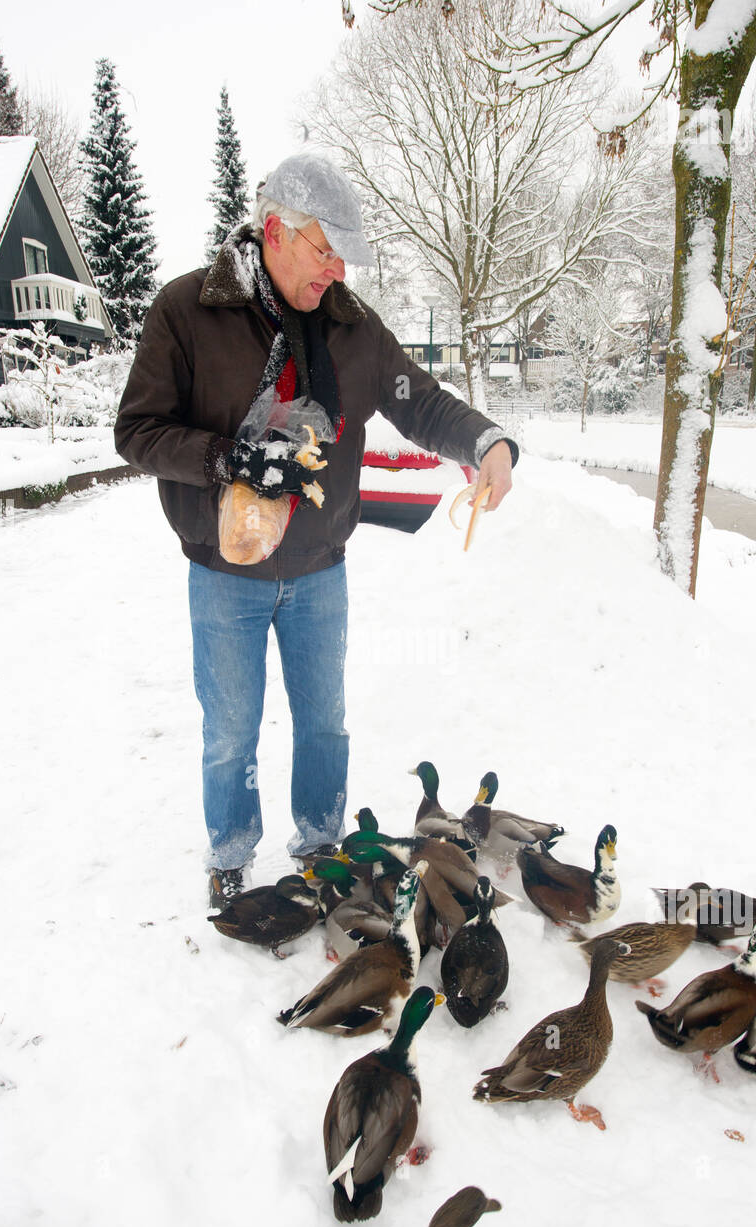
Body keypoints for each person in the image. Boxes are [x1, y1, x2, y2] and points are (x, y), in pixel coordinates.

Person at [115, 153, 517, 908]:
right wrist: (224, 458)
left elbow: (419, 401)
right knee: (230, 728)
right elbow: (136, 431)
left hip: (318, 568)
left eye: (343, 256)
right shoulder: (186, 311)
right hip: (222, 569)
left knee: (323, 725)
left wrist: (484, 440)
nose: (337, 271)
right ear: (275, 230)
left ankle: (320, 843)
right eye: (325, 251)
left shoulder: (353, 329)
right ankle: (231, 851)